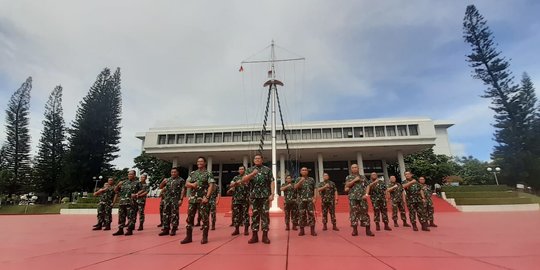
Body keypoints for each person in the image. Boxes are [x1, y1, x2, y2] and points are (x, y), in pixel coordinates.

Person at [181, 157, 215, 244]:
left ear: (205, 163)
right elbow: (186, 183)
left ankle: (204, 237)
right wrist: (192, 185)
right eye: (198, 161)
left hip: (203, 198)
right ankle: (188, 237)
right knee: (189, 218)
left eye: (201, 161)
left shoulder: (208, 173)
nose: (199, 162)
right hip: (193, 198)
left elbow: (211, 185)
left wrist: (207, 197)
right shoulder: (193, 173)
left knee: (204, 218)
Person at [242, 154, 275, 244]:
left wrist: (272, 194)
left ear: (262, 160)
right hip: (254, 196)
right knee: (255, 215)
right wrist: (252, 174)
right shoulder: (249, 170)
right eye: (255, 158)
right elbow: (244, 180)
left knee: (265, 215)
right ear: (253, 160)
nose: (257, 160)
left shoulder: (267, 170)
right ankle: (254, 236)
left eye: (259, 158)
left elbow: (272, 181)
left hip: (265, 196)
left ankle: (265, 236)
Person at [345, 164, 374, 237]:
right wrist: (354, 180)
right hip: (353, 198)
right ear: (351, 169)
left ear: (358, 168)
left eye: (355, 167)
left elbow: (368, 185)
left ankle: (368, 230)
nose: (354, 169)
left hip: (362, 197)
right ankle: (355, 230)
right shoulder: (348, 177)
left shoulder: (363, 177)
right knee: (353, 213)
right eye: (353, 168)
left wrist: (366, 194)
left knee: (365, 212)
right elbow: (347, 185)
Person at [112, 170, 142, 236]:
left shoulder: (137, 183)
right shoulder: (124, 182)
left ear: (134, 175)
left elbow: (142, 189)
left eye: (131, 174)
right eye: (129, 174)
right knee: (121, 216)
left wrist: (136, 194)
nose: (129, 175)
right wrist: (117, 185)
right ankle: (120, 230)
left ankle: (130, 230)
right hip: (122, 202)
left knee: (131, 217)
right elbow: (115, 190)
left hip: (131, 202)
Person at [158, 167, 185, 236]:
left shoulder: (181, 180)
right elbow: (161, 187)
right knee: (165, 214)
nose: (173, 173)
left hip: (175, 199)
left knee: (174, 214)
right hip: (167, 199)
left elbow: (183, 190)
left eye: (174, 172)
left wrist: (181, 199)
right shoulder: (168, 180)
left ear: (177, 173)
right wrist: (162, 182)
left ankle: (174, 228)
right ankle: (166, 229)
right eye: (172, 172)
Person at [294, 167, 317, 236]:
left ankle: (312, 230)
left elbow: (315, 188)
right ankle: (302, 230)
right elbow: (295, 187)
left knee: (311, 214)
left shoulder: (311, 179)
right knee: (301, 215)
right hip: (301, 200)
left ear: (307, 171)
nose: (304, 171)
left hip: (310, 200)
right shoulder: (298, 179)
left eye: (305, 170)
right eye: (302, 170)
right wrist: (301, 181)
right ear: (300, 172)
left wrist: (315, 197)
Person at [230, 166, 250, 236]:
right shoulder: (235, 177)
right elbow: (231, 184)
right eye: (240, 169)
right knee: (236, 215)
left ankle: (246, 229)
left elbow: (248, 185)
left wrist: (240, 182)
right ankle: (236, 229)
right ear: (238, 170)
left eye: (242, 169)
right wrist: (236, 183)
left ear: (244, 170)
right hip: (236, 199)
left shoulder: (247, 177)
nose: (241, 170)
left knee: (245, 214)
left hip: (245, 199)